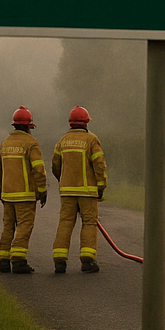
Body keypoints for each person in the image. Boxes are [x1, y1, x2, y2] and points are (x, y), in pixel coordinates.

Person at [51, 105, 108, 274]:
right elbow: (100, 166)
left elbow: (55, 165)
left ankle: (59, 261)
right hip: (88, 192)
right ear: (86, 123)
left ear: (71, 123)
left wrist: (64, 179)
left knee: (65, 223)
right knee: (89, 223)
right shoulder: (92, 140)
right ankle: (87, 261)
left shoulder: (62, 141)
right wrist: (101, 186)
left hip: (67, 191)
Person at [0, 105, 48, 274]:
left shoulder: (4, 144)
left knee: (8, 227)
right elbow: (38, 169)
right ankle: (18, 260)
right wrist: (42, 191)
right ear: (28, 126)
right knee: (24, 226)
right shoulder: (31, 143)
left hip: (7, 194)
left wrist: (0, 192)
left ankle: (3, 260)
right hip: (25, 195)